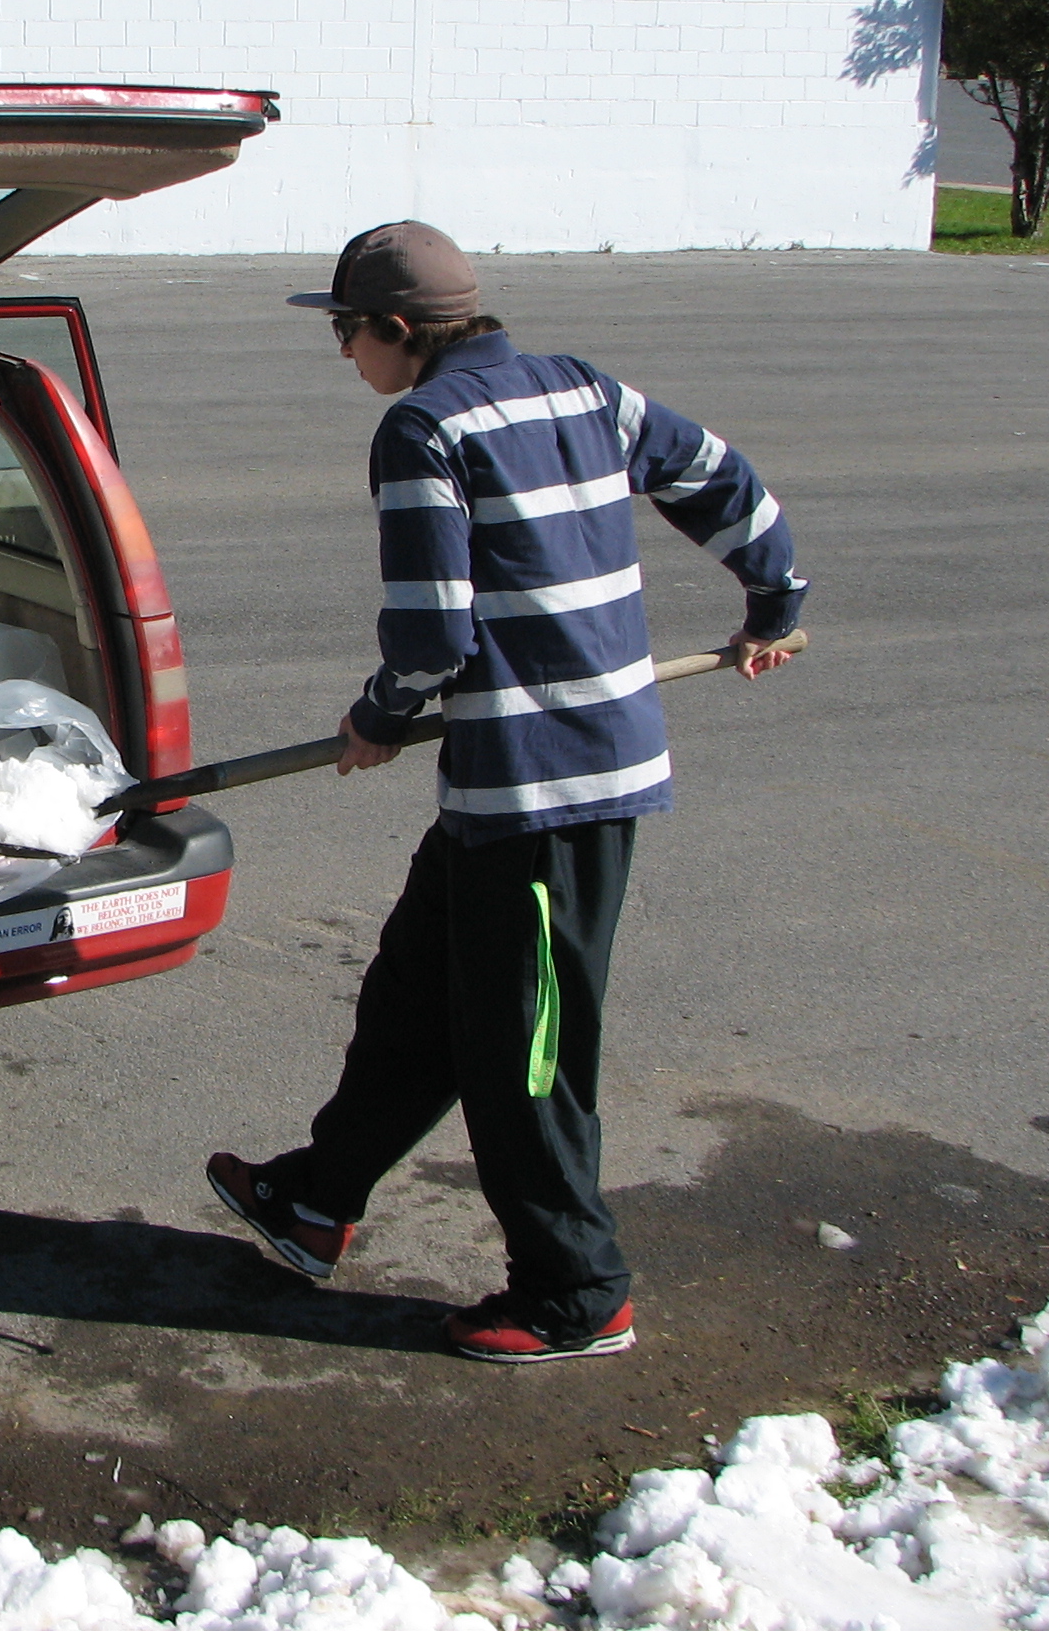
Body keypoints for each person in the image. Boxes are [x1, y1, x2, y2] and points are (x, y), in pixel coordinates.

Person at [206, 220, 806, 1364]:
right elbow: (723, 482)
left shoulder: (423, 427)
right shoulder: (584, 389)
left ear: (394, 331)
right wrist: (773, 599)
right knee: (415, 996)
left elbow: (433, 630)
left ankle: (578, 1293)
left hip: (552, 793)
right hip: (501, 789)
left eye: (345, 334)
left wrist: (380, 717)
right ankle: (319, 1198)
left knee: (522, 1053)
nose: (344, 358)